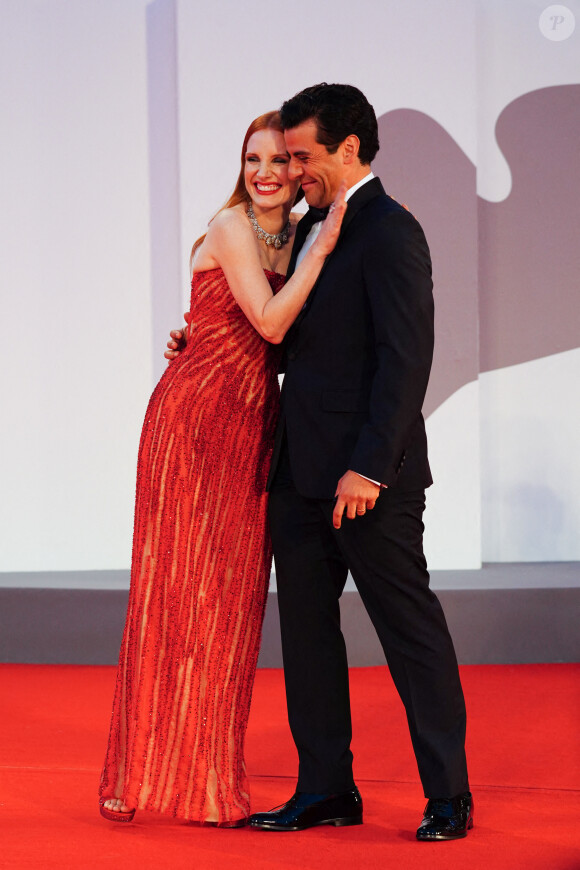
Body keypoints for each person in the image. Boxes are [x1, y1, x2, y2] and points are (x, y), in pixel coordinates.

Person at [171, 84, 473, 841]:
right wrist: (199, 344)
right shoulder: (307, 228)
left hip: (370, 481)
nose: (293, 168)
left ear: (348, 150)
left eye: (303, 155)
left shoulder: (390, 231)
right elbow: (285, 336)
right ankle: (326, 790)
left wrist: (369, 468)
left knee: (410, 633)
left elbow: (406, 361)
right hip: (299, 473)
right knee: (307, 640)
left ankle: (449, 797)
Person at [98, 110, 346, 827]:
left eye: (278, 161)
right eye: (252, 160)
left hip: (252, 424)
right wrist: (321, 255)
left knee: (231, 605)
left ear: (300, 170)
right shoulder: (235, 227)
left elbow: (250, 328)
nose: (265, 173)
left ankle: (207, 777)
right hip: (195, 419)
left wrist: (312, 252)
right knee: (174, 596)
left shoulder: (295, 235)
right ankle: (137, 773)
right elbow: (269, 324)